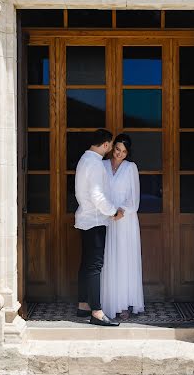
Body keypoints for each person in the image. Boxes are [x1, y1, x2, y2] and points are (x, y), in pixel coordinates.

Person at [74, 128, 125, 326]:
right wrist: (113, 212)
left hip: (86, 218)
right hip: (94, 220)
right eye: (111, 145)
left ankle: (82, 305)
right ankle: (96, 311)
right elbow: (97, 195)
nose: (111, 148)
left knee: (86, 264)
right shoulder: (94, 164)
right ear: (105, 145)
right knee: (94, 266)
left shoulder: (84, 160)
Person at [101, 133, 144, 319]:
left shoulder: (130, 168)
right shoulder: (101, 165)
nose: (119, 154)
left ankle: (125, 303)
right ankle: (109, 302)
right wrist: (108, 211)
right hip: (105, 218)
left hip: (125, 220)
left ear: (128, 153)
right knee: (108, 260)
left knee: (124, 260)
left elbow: (134, 199)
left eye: (124, 152)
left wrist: (120, 211)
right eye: (117, 149)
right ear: (112, 148)